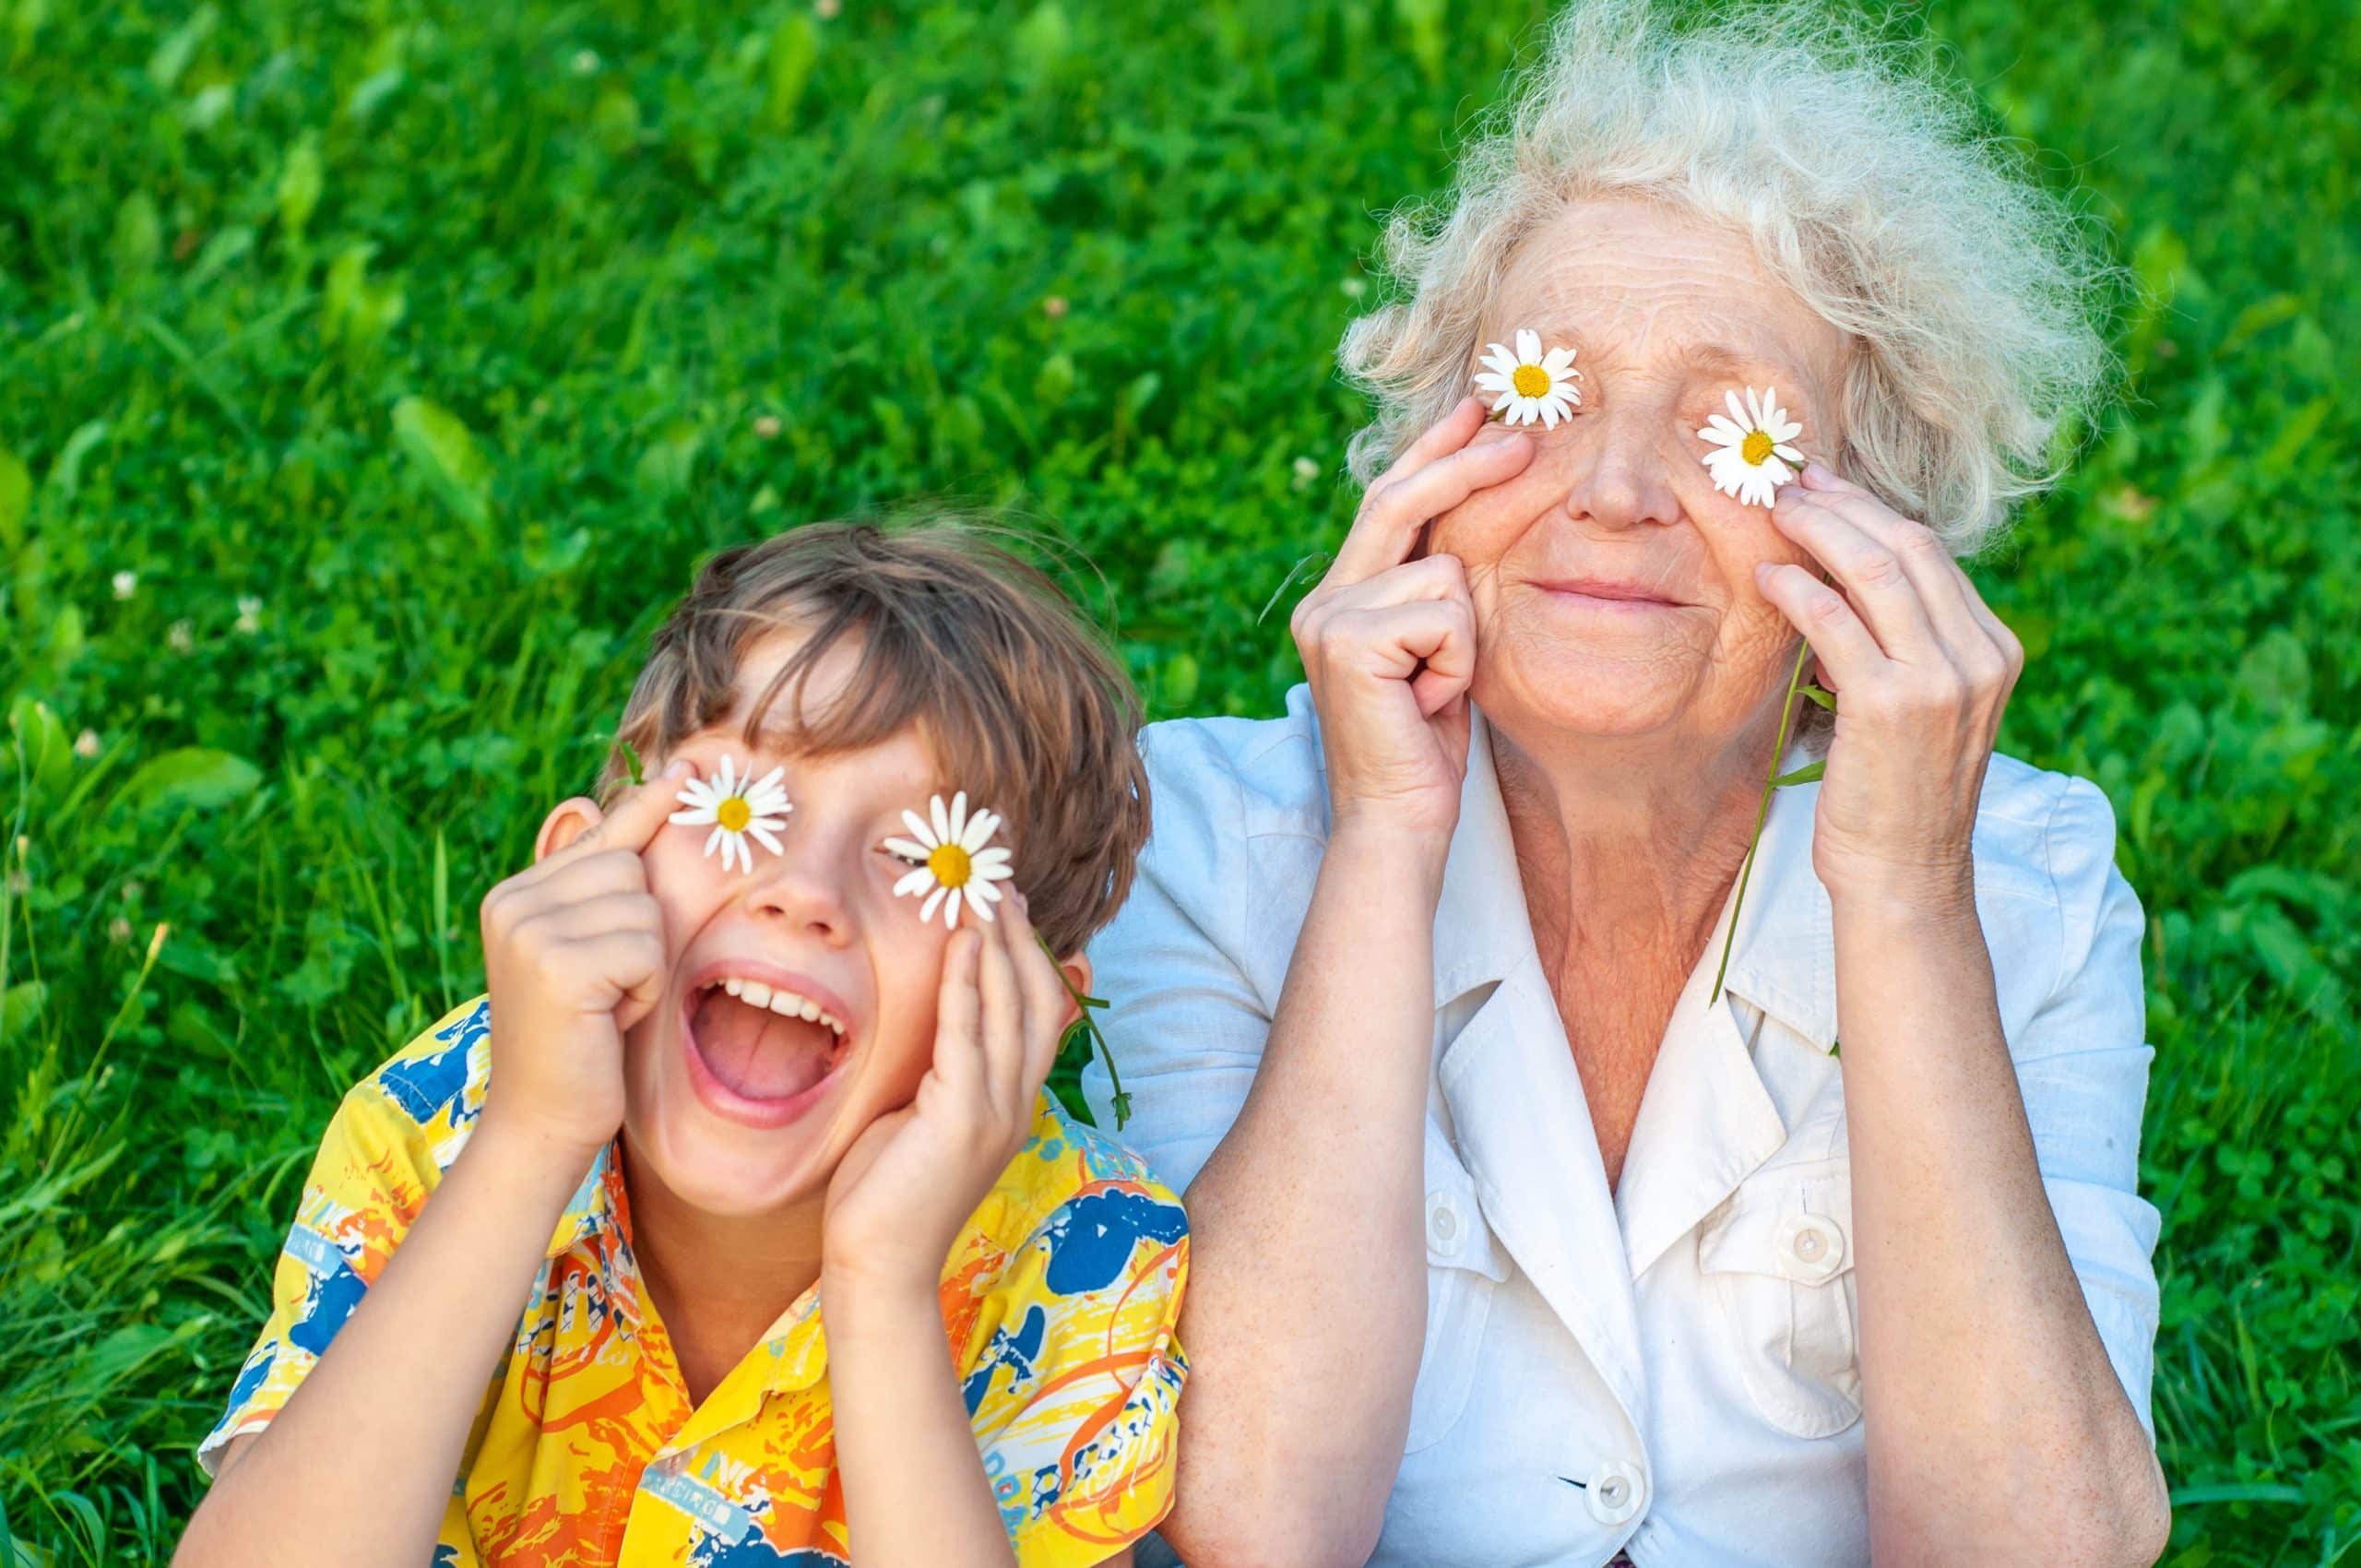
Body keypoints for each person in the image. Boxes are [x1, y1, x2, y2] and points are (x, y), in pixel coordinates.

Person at [1082, 4, 2168, 1563]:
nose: (1611, 490)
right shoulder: (1198, 843)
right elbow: (1248, 1523)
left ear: (1878, 518)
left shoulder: (2028, 881)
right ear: (1425, 469)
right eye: (1541, 393)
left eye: (1738, 428)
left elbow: (2038, 1547)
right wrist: (1387, 838)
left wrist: (1910, 899)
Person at [178, 522, 1186, 1568]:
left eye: (924, 858)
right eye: (740, 803)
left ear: (1031, 1014)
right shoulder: (440, 1118)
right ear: (583, 867)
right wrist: (529, 1138)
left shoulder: (1082, 1256)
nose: (805, 891)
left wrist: (882, 1284)